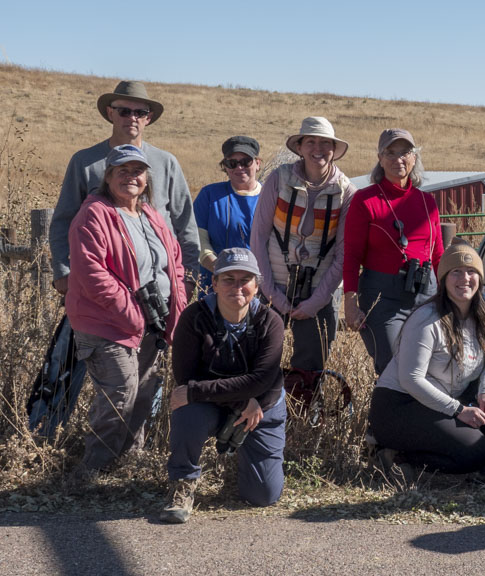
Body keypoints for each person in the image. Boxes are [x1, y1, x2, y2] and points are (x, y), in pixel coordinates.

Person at [65, 144, 187, 473]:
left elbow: (174, 265)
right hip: (106, 322)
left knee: (145, 392)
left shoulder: (151, 216)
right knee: (121, 393)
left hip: (153, 320)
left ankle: (130, 464)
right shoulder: (94, 214)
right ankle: (92, 472)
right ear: (108, 177)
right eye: (122, 171)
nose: (130, 177)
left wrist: (176, 311)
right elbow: (92, 275)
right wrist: (133, 313)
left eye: (137, 171)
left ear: (147, 179)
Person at [367, 240, 485, 485]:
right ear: (443, 279)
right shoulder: (426, 318)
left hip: (446, 397)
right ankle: (398, 459)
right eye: (456, 272)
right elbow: (411, 379)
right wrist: (459, 411)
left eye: (472, 271)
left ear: (480, 278)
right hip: (400, 407)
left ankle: (482, 468)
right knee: (474, 450)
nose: (465, 278)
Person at [160, 248, 286, 524]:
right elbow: (185, 380)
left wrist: (254, 401)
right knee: (186, 409)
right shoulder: (193, 318)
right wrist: (241, 401)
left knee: (264, 495)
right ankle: (182, 483)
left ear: (257, 285)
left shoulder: (271, 322)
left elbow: (263, 380)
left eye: (245, 280)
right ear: (214, 283)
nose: (237, 287)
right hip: (216, 405)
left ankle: (241, 467)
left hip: (262, 404)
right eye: (228, 279)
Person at [50, 80, 199, 298]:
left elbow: (185, 224)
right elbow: (63, 220)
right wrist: (63, 271)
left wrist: (189, 278)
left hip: (162, 285)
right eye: (124, 111)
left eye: (140, 112)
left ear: (148, 118)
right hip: (101, 286)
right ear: (110, 113)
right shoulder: (85, 161)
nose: (132, 118)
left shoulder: (166, 163)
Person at [250, 117, 354, 376]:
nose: (317, 148)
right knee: (259, 361)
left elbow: (344, 253)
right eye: (311, 141)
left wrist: (316, 302)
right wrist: (271, 292)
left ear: (334, 149)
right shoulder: (278, 179)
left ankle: (303, 413)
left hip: (320, 288)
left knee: (310, 369)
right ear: (300, 146)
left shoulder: (346, 191)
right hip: (273, 282)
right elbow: (258, 238)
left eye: (324, 143)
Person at [343, 128, 443, 375]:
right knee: (391, 367)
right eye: (390, 152)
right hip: (382, 296)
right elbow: (352, 255)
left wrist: (447, 298)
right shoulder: (365, 200)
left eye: (405, 152)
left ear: (414, 157)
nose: (398, 159)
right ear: (380, 158)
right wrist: (350, 302)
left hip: (426, 294)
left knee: (430, 368)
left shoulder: (427, 202)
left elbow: (439, 254)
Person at [192, 136, 264, 296]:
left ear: (257, 163)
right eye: (232, 163)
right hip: (215, 285)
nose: (239, 167)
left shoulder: (271, 197)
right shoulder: (209, 195)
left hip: (259, 287)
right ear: (225, 166)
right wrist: (223, 272)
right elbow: (198, 240)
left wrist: (250, 277)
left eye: (246, 162)